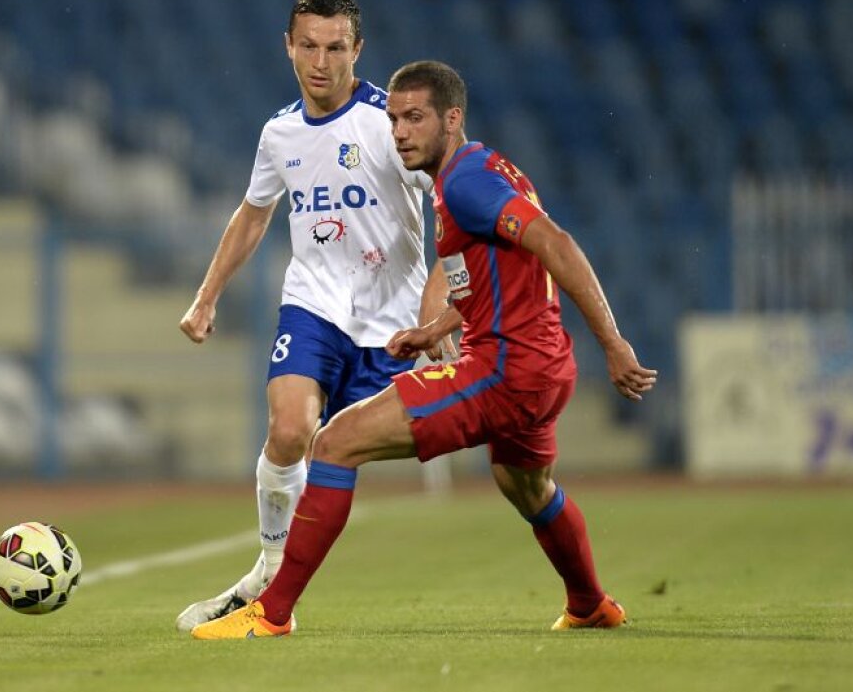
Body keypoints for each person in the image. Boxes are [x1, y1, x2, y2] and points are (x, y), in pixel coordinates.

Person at [190, 60, 658, 639]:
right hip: (544, 365)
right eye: (393, 120)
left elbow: (554, 242)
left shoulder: (465, 182)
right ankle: (590, 603)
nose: (400, 133)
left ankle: (271, 613)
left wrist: (613, 341)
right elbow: (496, 272)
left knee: (334, 444)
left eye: (415, 118)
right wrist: (437, 327)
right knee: (526, 486)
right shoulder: (477, 170)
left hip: (505, 369)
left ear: (451, 119)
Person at [175, 0, 447, 632]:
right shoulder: (280, 133)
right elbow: (253, 213)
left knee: (349, 448)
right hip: (314, 306)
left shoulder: (392, 123)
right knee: (292, 430)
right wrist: (206, 296)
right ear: (288, 47)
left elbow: (454, 213)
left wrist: (439, 311)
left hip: (393, 325)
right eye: (308, 46)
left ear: (358, 49)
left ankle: (578, 580)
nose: (320, 62)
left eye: (335, 48)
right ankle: (271, 572)